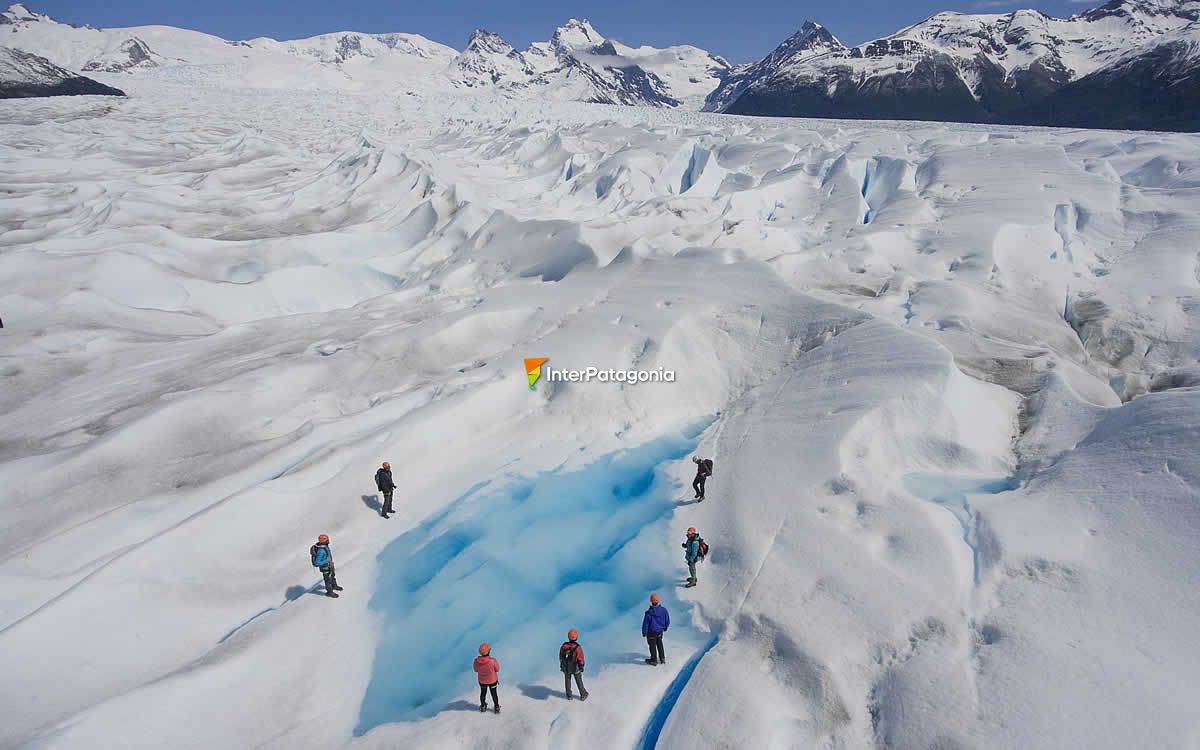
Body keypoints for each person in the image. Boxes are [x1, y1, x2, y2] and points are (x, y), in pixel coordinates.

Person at [560, 629, 589, 701]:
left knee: (567, 681)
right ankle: (583, 694)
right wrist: (581, 666)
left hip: (566, 667)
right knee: (579, 681)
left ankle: (569, 695)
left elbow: (560, 656)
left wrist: (562, 665)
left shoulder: (564, 646)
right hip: (575, 668)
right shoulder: (578, 647)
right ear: (576, 637)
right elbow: (581, 658)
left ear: (568, 637)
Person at [642, 593, 670, 665]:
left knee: (652, 646)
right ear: (658, 601)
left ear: (651, 601)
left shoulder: (648, 613)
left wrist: (644, 632)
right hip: (660, 631)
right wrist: (666, 626)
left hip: (651, 633)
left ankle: (654, 660)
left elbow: (646, 624)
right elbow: (667, 619)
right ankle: (662, 658)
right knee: (660, 644)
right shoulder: (664, 610)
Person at [474, 643, 501, 714]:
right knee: (494, 693)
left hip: (482, 681)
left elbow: (476, 670)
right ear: (488, 651)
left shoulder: (476, 661)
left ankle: (483, 706)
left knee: (483, 693)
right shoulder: (492, 661)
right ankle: (496, 707)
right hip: (492, 681)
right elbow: (497, 669)